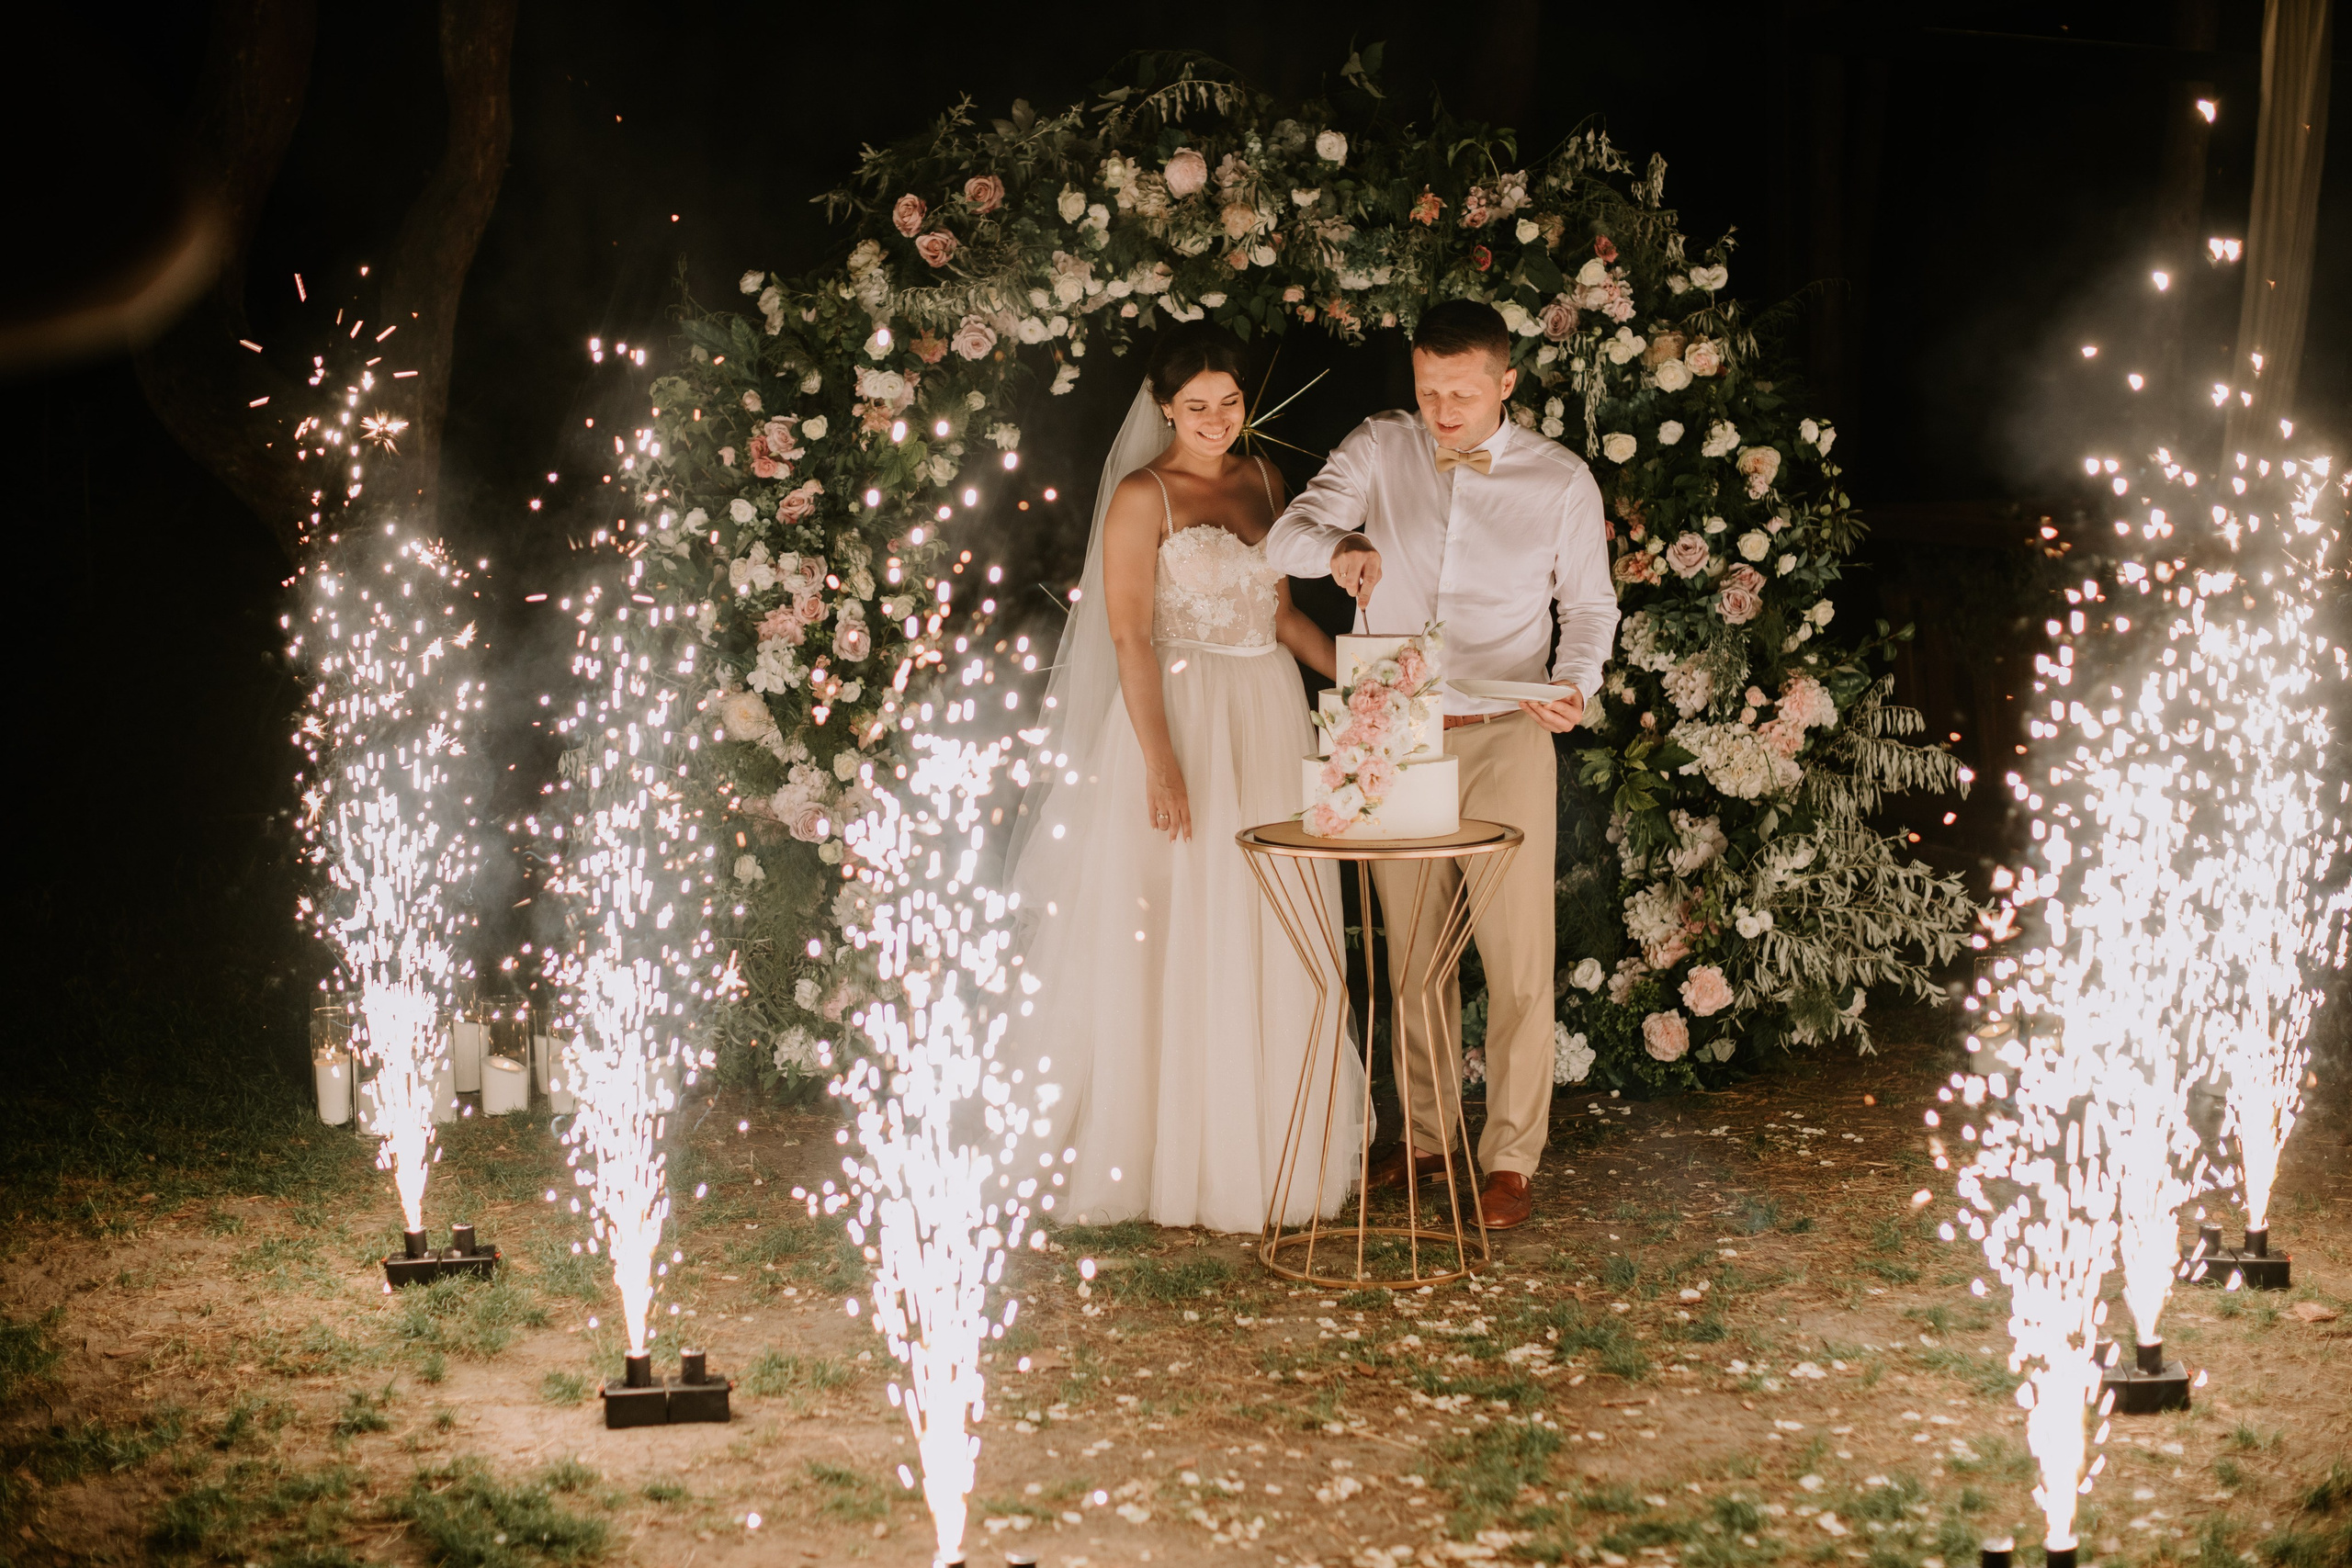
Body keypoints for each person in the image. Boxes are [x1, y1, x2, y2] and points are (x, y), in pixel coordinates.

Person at [1261, 299, 1619, 1230]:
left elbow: (1588, 610)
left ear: (1506, 382)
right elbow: (1285, 535)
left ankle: (1509, 1158)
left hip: (1507, 725)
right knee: (1410, 955)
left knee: (1515, 956)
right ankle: (1423, 1141)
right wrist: (1339, 545)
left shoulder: (1560, 480)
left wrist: (1575, 683)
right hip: (1393, 721)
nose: (1444, 410)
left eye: (1462, 392)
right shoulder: (1381, 447)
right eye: (1428, 390)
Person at [1002, 326, 1364, 1234]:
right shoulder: (1141, 496)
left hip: (1268, 717)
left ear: (1246, 399)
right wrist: (1160, 765)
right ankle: (1168, 1153)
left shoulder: (1266, 482)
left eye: (1228, 402)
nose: (1214, 420)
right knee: (1182, 921)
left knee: (1271, 916)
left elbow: (1280, 614)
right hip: (1181, 716)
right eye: (1195, 406)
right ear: (1164, 406)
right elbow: (1128, 636)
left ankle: (1269, 1144)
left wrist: (1367, 683)